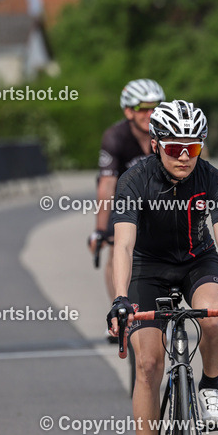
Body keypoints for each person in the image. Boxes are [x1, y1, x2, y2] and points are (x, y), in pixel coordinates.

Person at [106, 100, 218, 435]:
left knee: (215, 315)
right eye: (175, 148)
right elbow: (124, 245)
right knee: (148, 363)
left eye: (194, 148)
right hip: (147, 268)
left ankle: (210, 385)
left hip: (196, 260)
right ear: (155, 145)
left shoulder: (214, 179)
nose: (185, 157)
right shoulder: (134, 180)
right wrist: (120, 299)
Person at [89, 79, 165, 307]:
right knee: (117, 250)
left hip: (159, 201)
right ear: (129, 111)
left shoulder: (166, 132)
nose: (150, 114)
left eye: (155, 108)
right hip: (125, 203)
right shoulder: (115, 136)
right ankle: (119, 308)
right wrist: (100, 230)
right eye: (143, 108)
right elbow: (107, 185)